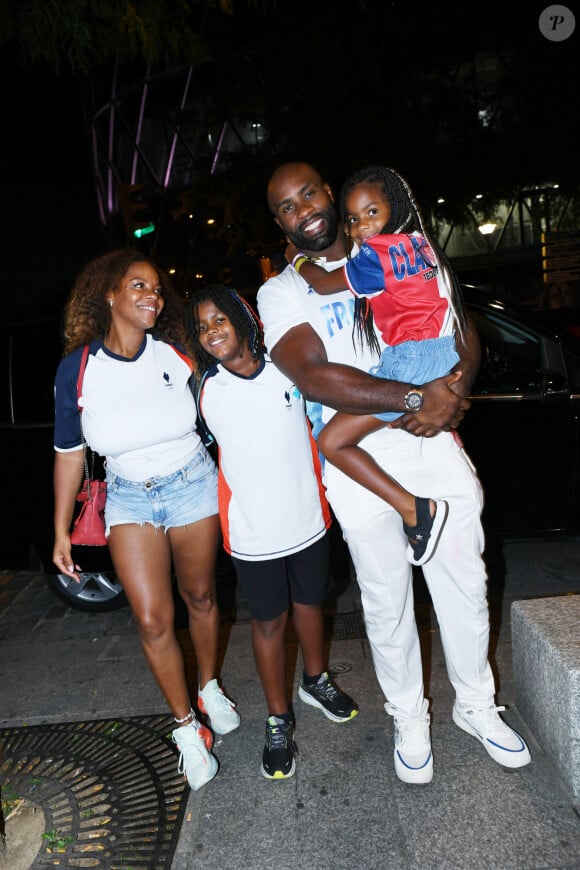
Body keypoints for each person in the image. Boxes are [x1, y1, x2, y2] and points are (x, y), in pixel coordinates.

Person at [257, 162, 531, 784]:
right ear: (280, 223)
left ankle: (477, 707)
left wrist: (452, 391)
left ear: (329, 192)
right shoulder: (281, 293)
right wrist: (415, 394)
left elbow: (458, 323)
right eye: (287, 207)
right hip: (358, 460)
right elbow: (316, 377)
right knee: (385, 600)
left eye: (308, 194)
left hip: (426, 440)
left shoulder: (392, 244)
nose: (304, 210)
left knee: (464, 582)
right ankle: (410, 716)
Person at [52, 249, 240, 793]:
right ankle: (187, 729)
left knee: (201, 597)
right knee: (153, 619)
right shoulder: (78, 368)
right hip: (129, 498)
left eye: (157, 288)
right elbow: (68, 452)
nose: (152, 297)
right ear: (110, 294)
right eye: (139, 286)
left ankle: (208, 688)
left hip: (192, 485)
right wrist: (61, 527)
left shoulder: (178, 352)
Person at [186, 285, 359, 780]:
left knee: (311, 605)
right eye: (202, 326)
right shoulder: (203, 390)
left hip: (307, 519)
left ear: (244, 319)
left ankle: (316, 680)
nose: (211, 331)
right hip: (253, 532)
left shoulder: (287, 370)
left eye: (220, 319)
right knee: (268, 623)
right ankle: (278, 718)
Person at [284, 165, 464, 566]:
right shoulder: (421, 243)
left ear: (393, 208)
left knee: (332, 441)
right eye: (353, 219)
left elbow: (324, 284)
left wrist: (297, 261)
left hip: (411, 361)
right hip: (440, 350)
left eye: (372, 213)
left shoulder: (377, 255)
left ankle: (418, 512)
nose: (362, 226)